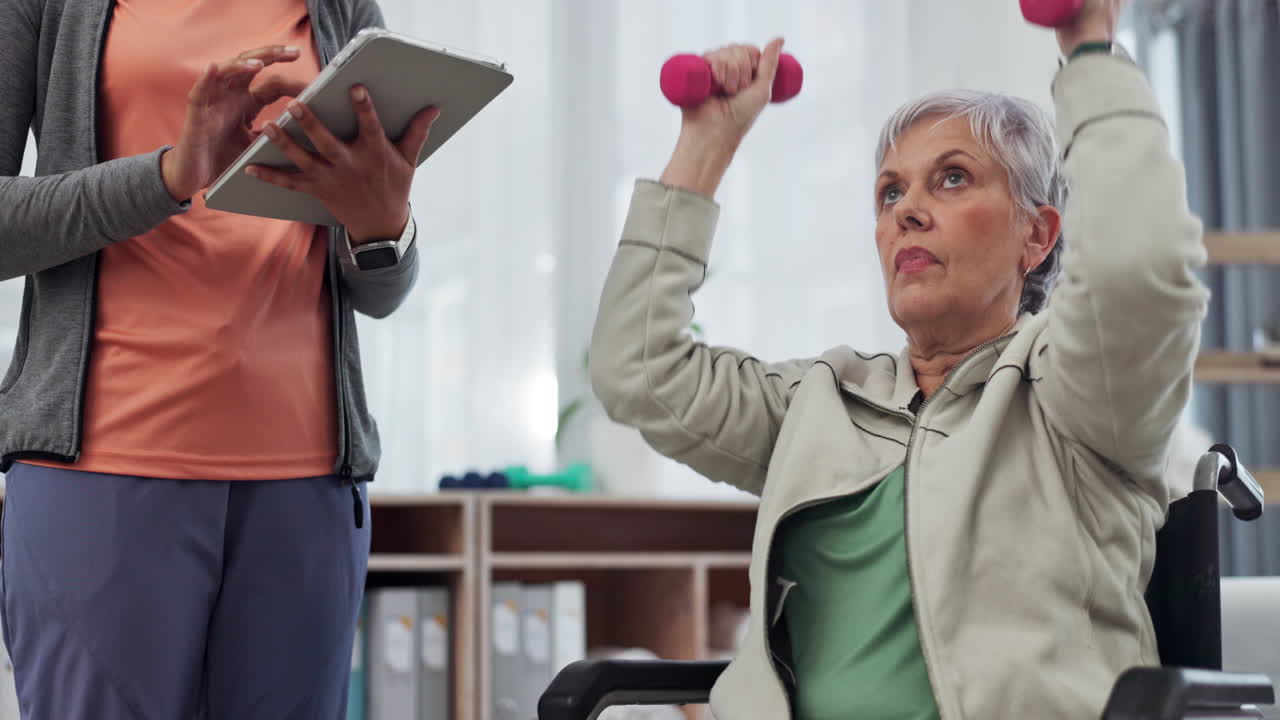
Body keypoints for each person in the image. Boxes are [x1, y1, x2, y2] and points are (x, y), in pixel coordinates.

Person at [589, 0, 1209, 718]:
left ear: (1037, 235)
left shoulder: (1078, 393)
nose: (906, 211)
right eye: (890, 192)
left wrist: (1089, 52)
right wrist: (707, 145)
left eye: (951, 179)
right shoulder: (820, 402)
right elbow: (637, 369)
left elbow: (1138, 269)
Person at [0, 0, 437, 717]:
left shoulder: (341, 8)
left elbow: (379, 291)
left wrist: (382, 224)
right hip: (106, 468)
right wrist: (170, 174)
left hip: (308, 485)